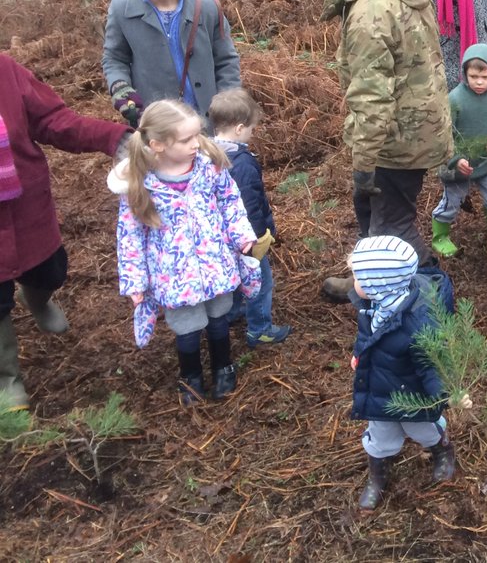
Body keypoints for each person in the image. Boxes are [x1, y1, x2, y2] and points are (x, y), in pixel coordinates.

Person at [301, 0, 454, 301]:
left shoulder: (368, 13)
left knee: (393, 223)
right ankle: (366, 277)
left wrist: (364, 162)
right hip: (417, 120)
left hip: (398, 134)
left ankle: (427, 286)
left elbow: (372, 95)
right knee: (374, 210)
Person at [0, 53, 131, 412]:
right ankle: (7, 380)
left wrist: (115, 138)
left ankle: (36, 298)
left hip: (25, 209)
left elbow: (53, 120)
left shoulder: (5, 70)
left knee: (51, 270)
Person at [108, 99, 260, 405]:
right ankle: (190, 375)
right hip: (174, 275)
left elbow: (230, 201)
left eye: (197, 136)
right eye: (187, 139)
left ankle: (223, 366)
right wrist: (136, 282)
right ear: (158, 145)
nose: (197, 144)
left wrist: (242, 234)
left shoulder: (209, 167)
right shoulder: (141, 184)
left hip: (215, 261)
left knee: (219, 315)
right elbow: (131, 236)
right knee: (187, 325)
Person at [348, 235, 456, 510]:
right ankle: (377, 475)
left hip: (413, 396)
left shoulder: (415, 325)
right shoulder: (372, 308)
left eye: (359, 278)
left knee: (424, 430)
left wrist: (443, 394)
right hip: (379, 392)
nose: (354, 284)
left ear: (379, 285)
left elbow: (430, 366)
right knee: (380, 436)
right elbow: (365, 338)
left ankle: (442, 450)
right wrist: (359, 354)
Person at [102, 0, 241, 125]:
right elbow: (114, 58)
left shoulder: (207, 9)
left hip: (209, 120)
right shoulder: (121, 11)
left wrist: (227, 103)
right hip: (158, 123)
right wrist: (120, 86)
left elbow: (226, 60)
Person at [209, 88, 293, 347]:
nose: (252, 134)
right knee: (261, 282)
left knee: (233, 277)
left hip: (219, 236)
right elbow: (248, 205)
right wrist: (260, 235)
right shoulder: (241, 163)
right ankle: (260, 329)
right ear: (239, 128)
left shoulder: (206, 155)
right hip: (246, 237)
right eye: (251, 129)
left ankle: (233, 312)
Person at [430, 44, 487, 258]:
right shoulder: (455, 99)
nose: (479, 82)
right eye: (473, 76)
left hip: (484, 160)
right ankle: (440, 235)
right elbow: (446, 134)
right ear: (464, 74)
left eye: (485, 77)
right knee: (452, 201)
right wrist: (456, 159)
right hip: (460, 164)